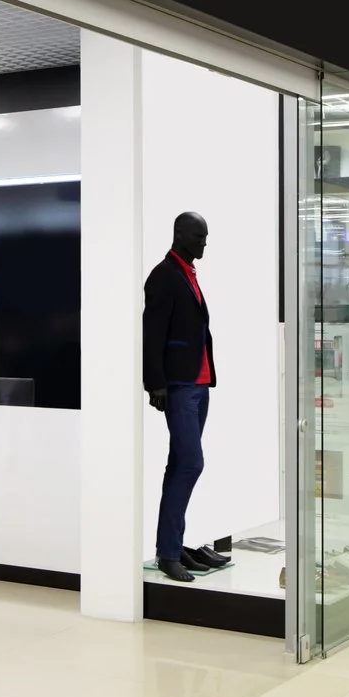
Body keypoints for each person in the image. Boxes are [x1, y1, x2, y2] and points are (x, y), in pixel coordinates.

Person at [142, 212, 214, 583]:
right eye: (199, 236)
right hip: (180, 386)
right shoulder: (164, 275)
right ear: (180, 234)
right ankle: (168, 553)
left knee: (179, 465)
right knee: (190, 463)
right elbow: (152, 332)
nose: (205, 243)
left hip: (199, 385)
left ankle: (172, 545)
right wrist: (155, 383)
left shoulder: (188, 273)